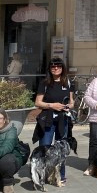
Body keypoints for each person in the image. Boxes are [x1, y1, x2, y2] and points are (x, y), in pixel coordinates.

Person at [33, 56, 75, 184]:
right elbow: (37, 103)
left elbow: (72, 102)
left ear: (62, 68)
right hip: (48, 118)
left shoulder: (67, 82)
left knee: (62, 148)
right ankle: (42, 174)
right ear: (49, 68)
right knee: (45, 147)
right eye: (53, 66)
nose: (55, 68)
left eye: (58, 66)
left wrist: (69, 106)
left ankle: (60, 175)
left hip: (63, 119)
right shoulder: (44, 83)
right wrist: (52, 105)